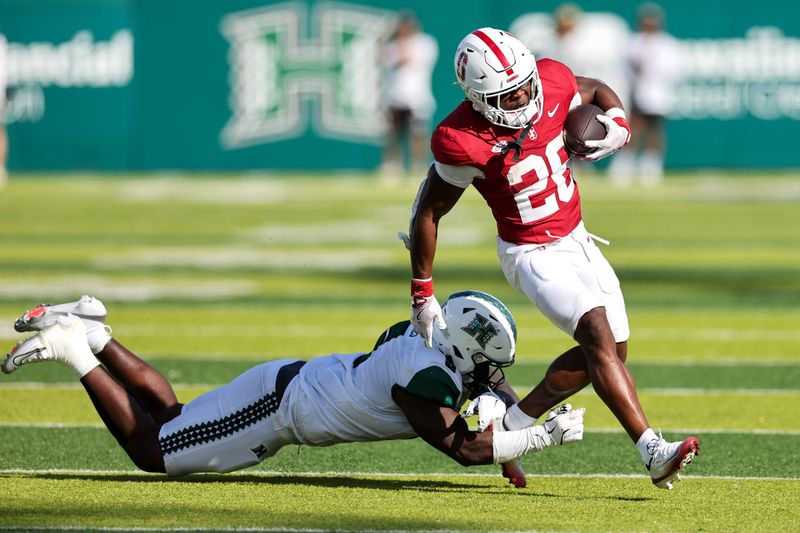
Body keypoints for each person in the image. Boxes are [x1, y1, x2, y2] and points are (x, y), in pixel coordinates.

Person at [406, 28, 699, 490]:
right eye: (508, 94)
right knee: (596, 332)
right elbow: (429, 210)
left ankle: (510, 426)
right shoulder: (460, 138)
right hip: (529, 252)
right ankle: (651, 451)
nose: (524, 97)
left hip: (578, 238)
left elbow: (595, 89)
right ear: (478, 98)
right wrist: (422, 290)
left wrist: (618, 124)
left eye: (526, 85)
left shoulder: (551, 78)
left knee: (612, 352)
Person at [3, 293, 585, 484]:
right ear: (460, 344)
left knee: (174, 418)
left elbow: (493, 386)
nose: (490, 371)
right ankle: (73, 348)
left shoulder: (426, 338)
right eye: (482, 360)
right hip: (277, 412)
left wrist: (517, 420)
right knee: (154, 453)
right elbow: (465, 450)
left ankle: (97, 332)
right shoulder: (423, 379)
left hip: (292, 385)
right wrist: (539, 440)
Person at [609, 3, 680, 187]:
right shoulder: (633, 43)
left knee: (654, 131)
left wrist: (651, 69)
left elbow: (672, 71)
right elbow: (623, 69)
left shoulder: (667, 44)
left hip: (658, 95)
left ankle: (651, 168)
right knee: (633, 128)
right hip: (637, 94)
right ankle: (624, 166)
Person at [380, 11, 438, 182]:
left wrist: (402, 45)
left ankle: (418, 165)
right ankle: (391, 166)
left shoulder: (425, 43)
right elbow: (385, 59)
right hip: (395, 96)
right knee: (392, 134)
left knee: (418, 134)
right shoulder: (392, 45)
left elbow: (410, 60)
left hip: (417, 97)